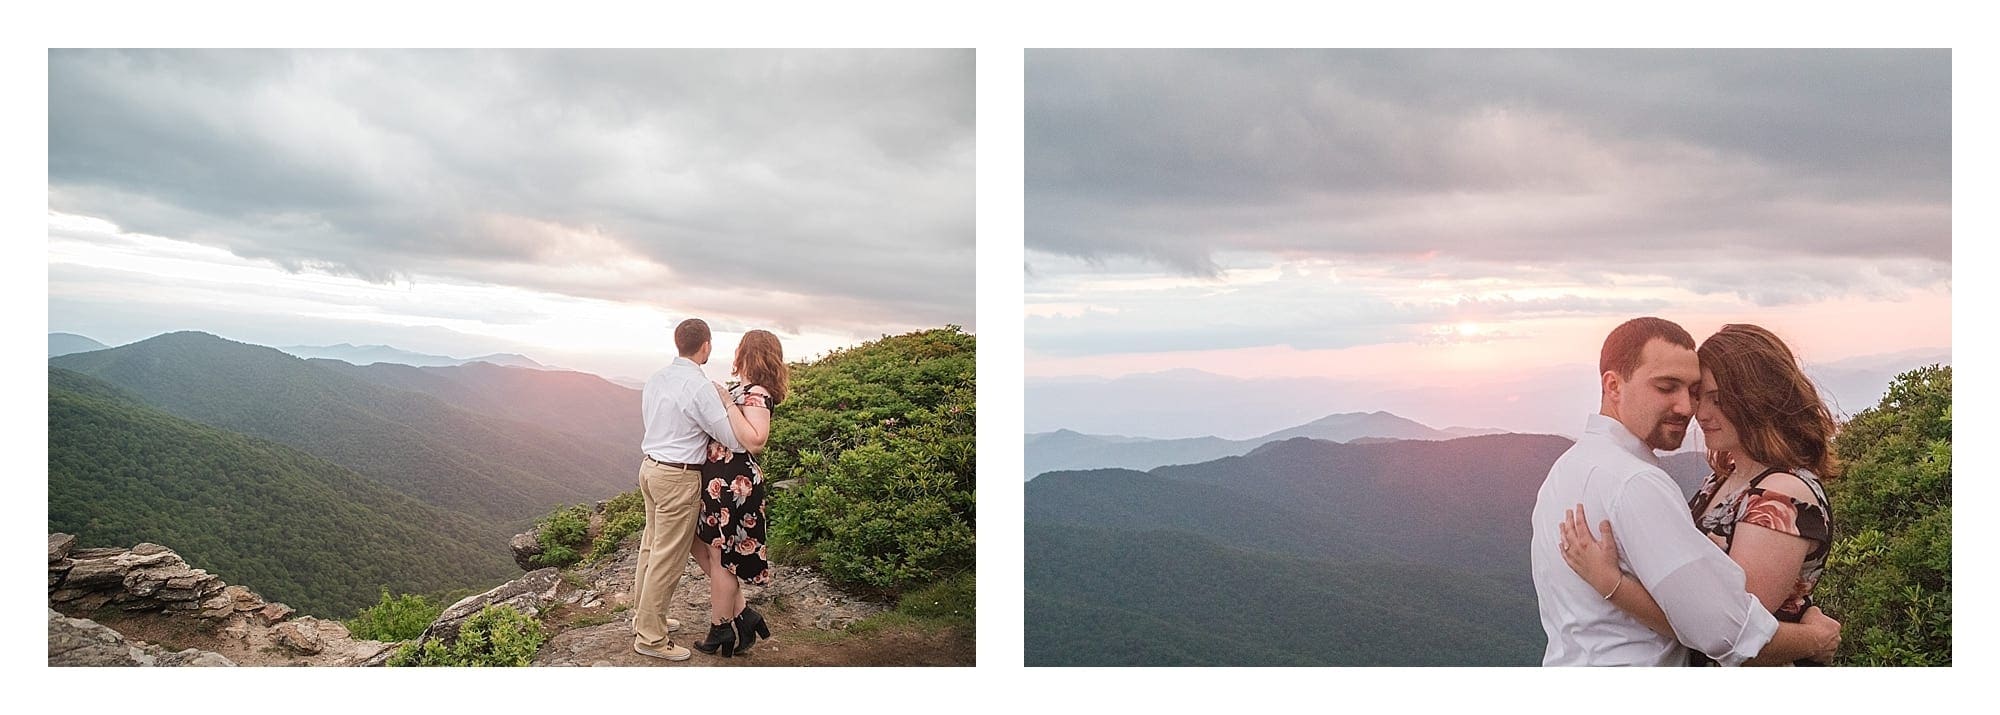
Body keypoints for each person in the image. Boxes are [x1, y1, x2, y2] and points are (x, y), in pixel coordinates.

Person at [1530, 316, 1840, 666]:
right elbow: (1724, 629)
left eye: (1714, 397)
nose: (1693, 410)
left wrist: (1613, 584)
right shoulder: (1652, 481)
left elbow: (1725, 629)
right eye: (1668, 388)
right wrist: (1814, 639)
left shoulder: (1571, 468)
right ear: (1613, 386)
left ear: (1759, 398)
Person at [632, 318, 744, 661]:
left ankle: (645, 618)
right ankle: (650, 638)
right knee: (668, 558)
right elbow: (734, 440)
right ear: (706, 346)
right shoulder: (700, 387)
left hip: (650, 469)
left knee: (651, 549)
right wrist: (729, 404)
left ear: (678, 342)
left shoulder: (657, 378)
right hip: (678, 476)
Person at [689, 329, 788, 657]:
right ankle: (743, 616)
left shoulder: (757, 393)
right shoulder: (742, 389)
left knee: (722, 559)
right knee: (705, 548)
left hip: (736, 485)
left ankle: (720, 629)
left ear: (749, 353)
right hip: (720, 482)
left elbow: (756, 439)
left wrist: (728, 403)